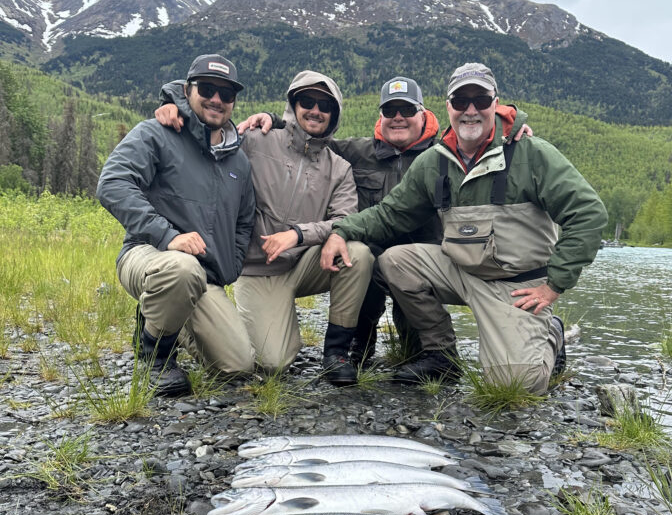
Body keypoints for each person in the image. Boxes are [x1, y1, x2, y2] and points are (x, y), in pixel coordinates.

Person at [320, 62, 608, 393]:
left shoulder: (532, 154)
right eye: (460, 101)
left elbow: (589, 214)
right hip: (460, 271)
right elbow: (389, 213)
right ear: (448, 108)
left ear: (495, 104)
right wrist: (341, 232)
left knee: (517, 385)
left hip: (514, 287)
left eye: (480, 100)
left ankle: (551, 334)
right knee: (394, 261)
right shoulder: (435, 162)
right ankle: (441, 356)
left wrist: (554, 285)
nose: (470, 110)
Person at [238, 75, 533, 368]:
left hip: (425, 267)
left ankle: (440, 351)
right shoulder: (355, 152)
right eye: (390, 111)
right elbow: (310, 137)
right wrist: (273, 120)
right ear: (380, 116)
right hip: (372, 269)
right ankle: (356, 344)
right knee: (361, 256)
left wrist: (511, 126)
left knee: (414, 352)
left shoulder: (443, 155)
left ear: (423, 113)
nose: (398, 118)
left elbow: (477, 134)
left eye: (406, 110)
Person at [156, 71, 373, 386]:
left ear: (334, 113)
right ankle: (187, 325)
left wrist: (300, 234)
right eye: (307, 101)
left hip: (304, 264)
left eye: (325, 105)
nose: (316, 110)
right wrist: (174, 103)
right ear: (293, 105)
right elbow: (211, 123)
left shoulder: (339, 169)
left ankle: (336, 353)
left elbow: (345, 219)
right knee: (272, 363)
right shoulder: (256, 140)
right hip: (257, 269)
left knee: (358, 253)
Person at [97, 53, 256, 397]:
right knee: (182, 269)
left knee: (237, 364)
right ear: (187, 90)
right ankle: (154, 354)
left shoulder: (239, 162)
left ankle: (172, 317)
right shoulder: (157, 132)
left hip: (204, 278)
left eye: (226, 94)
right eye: (208, 89)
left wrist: (230, 265)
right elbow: (112, 183)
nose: (216, 99)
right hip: (147, 255)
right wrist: (168, 237)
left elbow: (245, 222)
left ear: (233, 102)